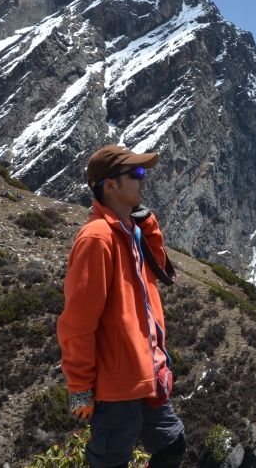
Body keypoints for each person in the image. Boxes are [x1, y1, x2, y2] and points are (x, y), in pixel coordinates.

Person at [57, 145, 186, 468]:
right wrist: (81, 389)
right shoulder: (97, 238)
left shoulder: (129, 231)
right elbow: (77, 322)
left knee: (172, 444)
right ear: (111, 186)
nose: (144, 179)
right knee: (111, 461)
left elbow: (157, 273)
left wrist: (149, 226)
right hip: (118, 384)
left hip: (146, 373)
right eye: (136, 173)